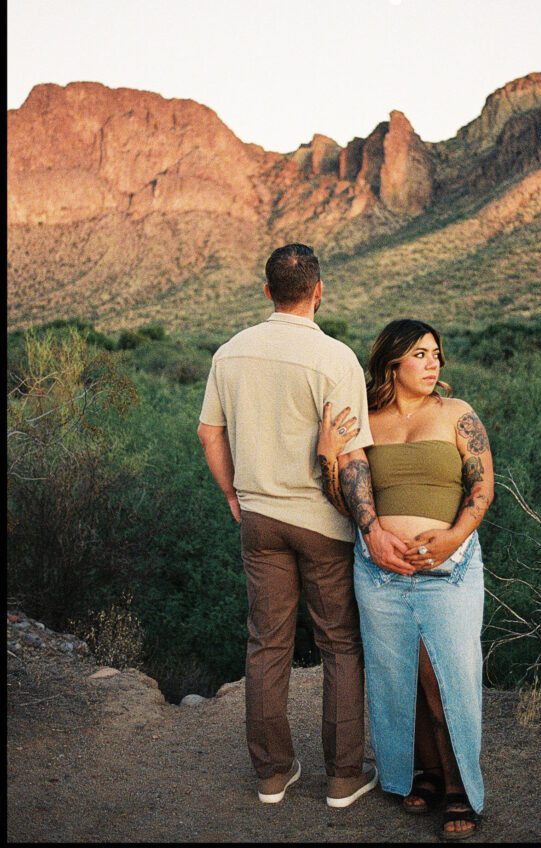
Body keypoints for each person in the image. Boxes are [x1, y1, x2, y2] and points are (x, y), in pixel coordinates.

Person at [197, 243, 384, 808]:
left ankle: (273, 775)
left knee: (267, 644)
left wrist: (233, 493)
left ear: (266, 292)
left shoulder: (230, 354)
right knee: (340, 646)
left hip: (259, 518)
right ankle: (344, 778)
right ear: (319, 291)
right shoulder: (336, 359)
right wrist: (371, 523)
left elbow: (210, 433)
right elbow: (350, 457)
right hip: (323, 522)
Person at [317, 318, 494, 841]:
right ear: (392, 364)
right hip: (380, 571)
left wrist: (453, 537)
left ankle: (461, 785)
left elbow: (482, 489)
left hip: (451, 568)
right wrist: (329, 452)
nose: (433, 361)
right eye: (420, 354)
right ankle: (427, 774)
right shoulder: (366, 422)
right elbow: (343, 497)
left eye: (436, 352)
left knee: (447, 677)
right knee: (401, 677)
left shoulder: (458, 415)